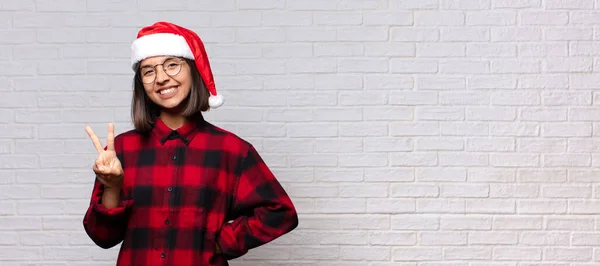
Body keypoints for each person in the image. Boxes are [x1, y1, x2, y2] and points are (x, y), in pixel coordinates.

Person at [82, 21, 299, 266]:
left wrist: (221, 242)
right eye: (148, 71)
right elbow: (103, 237)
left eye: (172, 65)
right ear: (141, 84)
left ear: (193, 71)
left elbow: (280, 212)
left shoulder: (232, 150)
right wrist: (112, 186)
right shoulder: (122, 150)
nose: (161, 78)